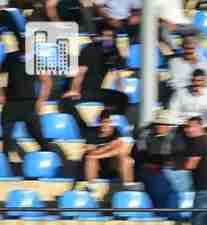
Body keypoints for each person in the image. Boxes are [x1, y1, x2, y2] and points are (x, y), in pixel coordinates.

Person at [0, 38, 61, 176]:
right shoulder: (11, 57)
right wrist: (2, 93)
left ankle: (54, 162)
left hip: (29, 104)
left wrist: (41, 100)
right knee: (6, 137)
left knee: (38, 136)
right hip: (11, 104)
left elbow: (46, 81)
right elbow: (1, 76)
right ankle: (5, 171)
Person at [60, 27, 131, 137]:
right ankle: (83, 131)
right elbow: (81, 72)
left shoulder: (114, 52)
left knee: (122, 98)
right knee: (67, 103)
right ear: (100, 37)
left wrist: (120, 91)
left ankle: (108, 128)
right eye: (105, 36)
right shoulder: (89, 49)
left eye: (110, 37)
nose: (108, 39)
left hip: (97, 91)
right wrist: (74, 90)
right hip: (83, 90)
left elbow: (118, 76)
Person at [179, 116, 207, 225]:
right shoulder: (206, 139)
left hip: (204, 187)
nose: (187, 129)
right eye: (186, 127)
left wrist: (177, 165)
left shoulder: (197, 142)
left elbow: (191, 165)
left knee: (198, 220)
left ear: (198, 126)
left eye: (189, 127)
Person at [83, 114, 135, 186]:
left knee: (126, 160)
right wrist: (108, 147)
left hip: (113, 164)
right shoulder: (92, 133)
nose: (105, 125)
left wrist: (100, 153)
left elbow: (120, 150)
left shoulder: (117, 132)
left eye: (108, 122)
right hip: (99, 165)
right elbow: (89, 150)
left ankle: (128, 187)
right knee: (90, 159)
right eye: (103, 122)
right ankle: (92, 187)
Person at [168, 37, 207, 104]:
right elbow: (175, 84)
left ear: (197, 48)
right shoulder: (174, 62)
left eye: (191, 48)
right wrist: (194, 85)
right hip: (184, 98)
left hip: (205, 97)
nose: (189, 51)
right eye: (186, 48)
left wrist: (205, 91)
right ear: (182, 48)